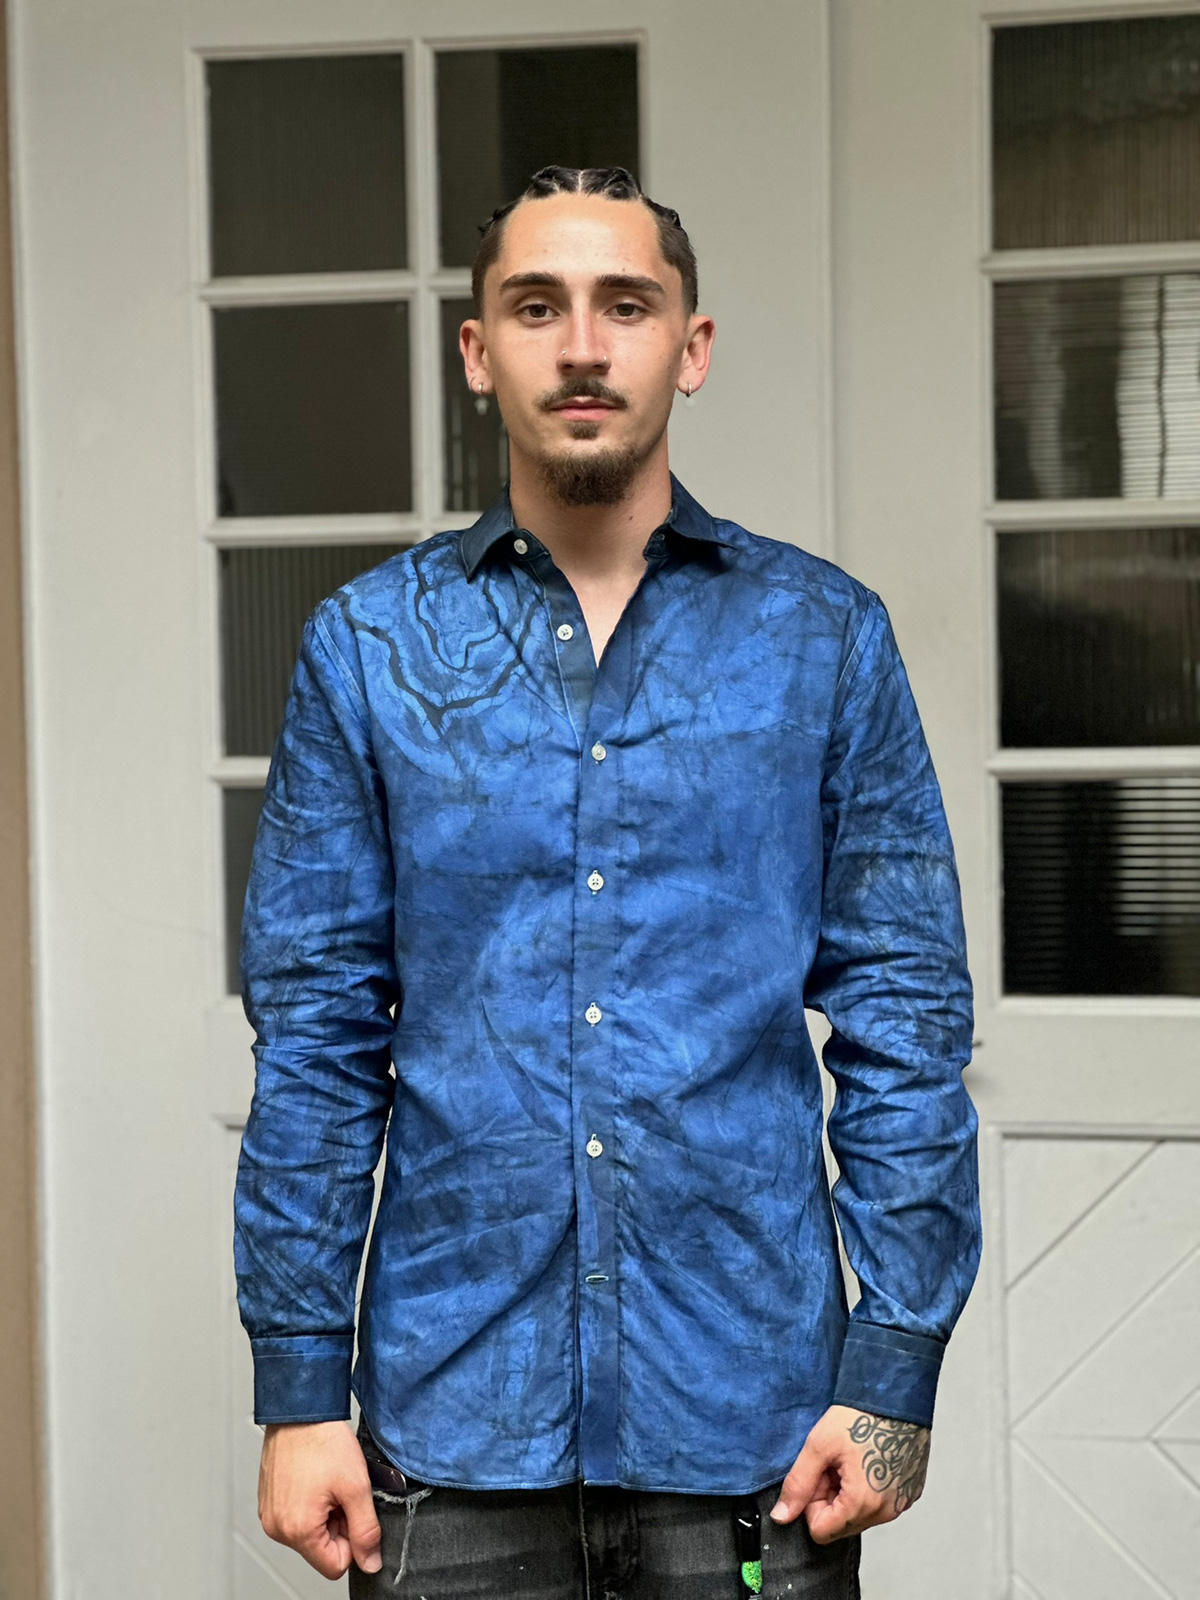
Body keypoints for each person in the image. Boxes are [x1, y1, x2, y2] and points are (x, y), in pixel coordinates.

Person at [233, 165, 981, 1599]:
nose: (583, 346)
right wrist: (299, 1386)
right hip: (448, 1446)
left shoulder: (824, 640)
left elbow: (904, 1017)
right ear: (477, 352)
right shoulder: (369, 650)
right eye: (538, 307)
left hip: (754, 1441)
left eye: (625, 306)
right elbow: (317, 1036)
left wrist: (894, 1367)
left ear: (690, 348)